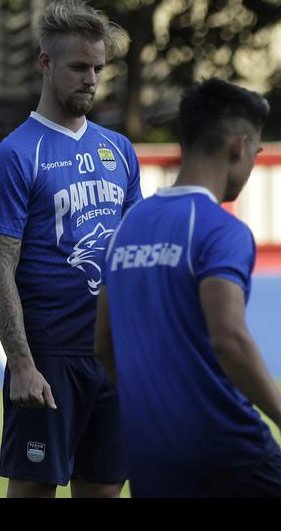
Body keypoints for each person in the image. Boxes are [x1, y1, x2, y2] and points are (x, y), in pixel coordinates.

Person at [94, 78, 281, 498]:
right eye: (256, 151)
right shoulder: (221, 230)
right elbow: (229, 337)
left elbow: (105, 344)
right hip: (223, 439)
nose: (253, 164)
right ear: (238, 147)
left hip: (150, 447)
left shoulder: (127, 227)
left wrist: (151, 408)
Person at [0, 0, 140, 498]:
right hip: (50, 358)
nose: (91, 79)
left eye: (98, 68)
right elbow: (2, 263)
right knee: (33, 491)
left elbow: (130, 258)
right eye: (79, 67)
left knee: (103, 490)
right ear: (46, 64)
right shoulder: (17, 152)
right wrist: (20, 364)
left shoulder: (119, 149)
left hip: (112, 355)